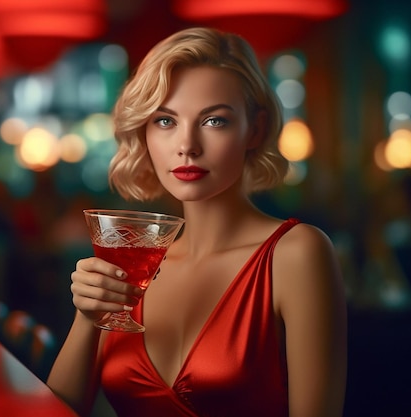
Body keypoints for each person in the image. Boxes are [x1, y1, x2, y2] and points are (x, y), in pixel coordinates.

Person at [47, 27, 347, 417]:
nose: (186, 144)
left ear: (254, 129)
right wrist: (88, 317)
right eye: (166, 121)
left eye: (214, 121)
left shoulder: (297, 253)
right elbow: (56, 410)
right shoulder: (135, 264)